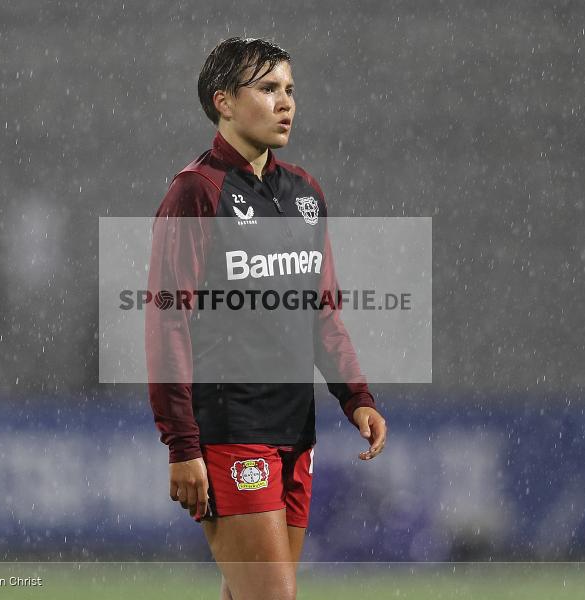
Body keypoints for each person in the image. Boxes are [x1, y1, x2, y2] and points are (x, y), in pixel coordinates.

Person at [145, 37, 387, 600]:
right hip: (230, 429)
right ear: (223, 101)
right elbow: (167, 325)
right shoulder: (196, 193)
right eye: (269, 88)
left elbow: (322, 312)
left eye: (290, 90)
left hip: (294, 430)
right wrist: (182, 445)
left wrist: (357, 397)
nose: (286, 103)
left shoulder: (304, 193)